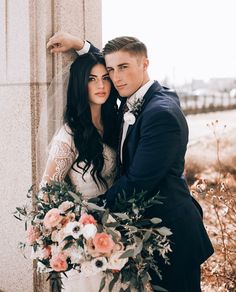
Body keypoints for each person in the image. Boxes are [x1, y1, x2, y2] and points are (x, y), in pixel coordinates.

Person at [47, 32, 214, 292]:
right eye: (110, 70)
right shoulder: (136, 98)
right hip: (133, 239)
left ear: (145, 64)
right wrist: (81, 47)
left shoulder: (161, 114)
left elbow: (136, 184)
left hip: (171, 236)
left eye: (123, 68)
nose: (115, 78)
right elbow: (107, 65)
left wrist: (80, 222)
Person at [40, 51, 119, 291]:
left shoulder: (114, 125)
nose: (101, 85)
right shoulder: (69, 135)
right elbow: (47, 192)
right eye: (91, 79)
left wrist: (80, 45)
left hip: (117, 234)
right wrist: (75, 227)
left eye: (105, 78)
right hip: (85, 239)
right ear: (79, 85)